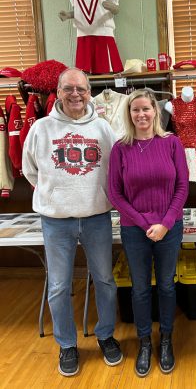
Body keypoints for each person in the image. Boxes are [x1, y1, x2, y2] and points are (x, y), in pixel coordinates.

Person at [22, 68, 122, 377]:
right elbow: (30, 170)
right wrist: (54, 194)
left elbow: (116, 168)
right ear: (59, 91)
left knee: (104, 279)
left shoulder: (104, 129)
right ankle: (67, 344)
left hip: (96, 217)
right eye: (68, 88)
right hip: (56, 221)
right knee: (59, 285)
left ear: (89, 91)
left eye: (80, 88)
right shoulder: (40, 128)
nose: (75, 94)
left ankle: (106, 335)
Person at [108, 89, 189, 377]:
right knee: (140, 288)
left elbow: (182, 187)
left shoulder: (172, 143)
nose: (141, 114)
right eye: (135, 110)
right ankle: (144, 342)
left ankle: (165, 339)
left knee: (166, 286)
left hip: (169, 227)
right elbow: (115, 194)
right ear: (128, 114)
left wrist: (165, 223)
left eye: (146, 109)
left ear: (155, 111)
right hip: (134, 229)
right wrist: (144, 225)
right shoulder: (120, 148)